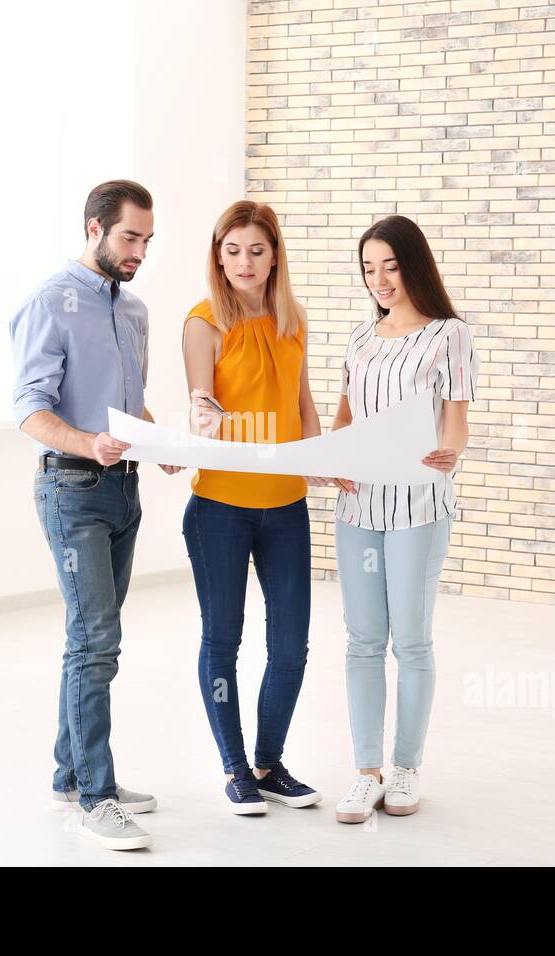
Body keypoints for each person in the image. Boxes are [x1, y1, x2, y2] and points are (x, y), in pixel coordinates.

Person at [9, 179, 182, 851]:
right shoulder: (51, 303)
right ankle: (95, 796)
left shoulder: (134, 311)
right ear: (95, 228)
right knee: (96, 641)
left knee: (91, 639)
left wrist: (161, 441)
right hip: (72, 490)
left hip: (123, 491)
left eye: (147, 240)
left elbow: (127, 407)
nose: (139, 251)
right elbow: (30, 408)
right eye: (129, 237)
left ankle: (70, 774)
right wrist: (89, 444)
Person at [181, 200, 350, 815]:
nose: (243, 263)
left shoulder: (291, 319)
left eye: (256, 250)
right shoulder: (204, 322)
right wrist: (201, 417)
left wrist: (325, 459)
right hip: (220, 507)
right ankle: (235, 770)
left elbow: (301, 407)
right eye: (232, 251)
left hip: (286, 507)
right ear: (217, 255)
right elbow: (202, 401)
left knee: (290, 647)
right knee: (222, 640)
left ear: (275, 254)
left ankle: (268, 762)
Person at [329, 215, 479, 823]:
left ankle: (407, 766)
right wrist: (332, 458)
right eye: (369, 269)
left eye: (390, 266)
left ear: (413, 264)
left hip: (418, 504)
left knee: (411, 640)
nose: (380, 280)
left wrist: (452, 453)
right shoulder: (361, 339)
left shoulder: (450, 336)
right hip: (357, 505)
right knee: (363, 641)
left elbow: (457, 421)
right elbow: (343, 421)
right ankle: (367, 772)